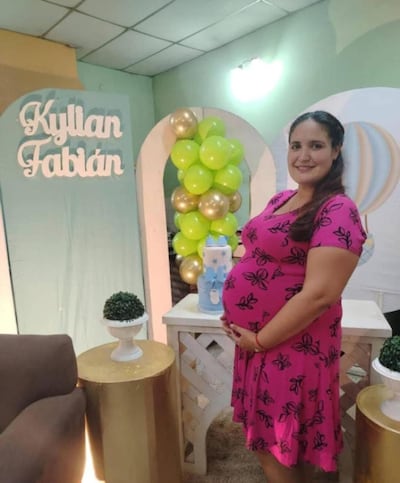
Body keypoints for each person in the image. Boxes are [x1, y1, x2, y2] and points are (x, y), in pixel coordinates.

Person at [221, 110, 366, 483]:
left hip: (291, 345)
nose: (303, 156)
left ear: (336, 150)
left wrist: (259, 339)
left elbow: (320, 295)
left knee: (278, 444)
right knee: (266, 438)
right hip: (261, 344)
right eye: (296, 146)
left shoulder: (338, 209)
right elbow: (259, 254)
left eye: (316, 146)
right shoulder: (281, 199)